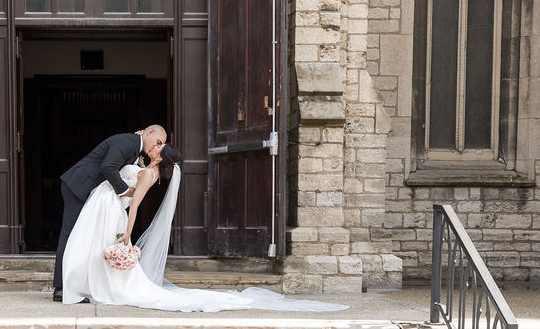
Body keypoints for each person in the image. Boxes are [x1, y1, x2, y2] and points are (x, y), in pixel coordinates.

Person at [60, 144, 348, 313]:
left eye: (158, 147)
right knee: (88, 246)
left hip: (114, 211)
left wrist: (127, 233)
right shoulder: (143, 165)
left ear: (159, 158)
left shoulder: (148, 173)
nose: (155, 146)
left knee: (91, 247)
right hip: (105, 207)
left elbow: (134, 204)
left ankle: (95, 286)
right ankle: (88, 284)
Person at [52, 125, 167, 303]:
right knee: (70, 235)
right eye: (158, 142)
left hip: (92, 194)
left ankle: (80, 285)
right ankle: (60, 288)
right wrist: (125, 191)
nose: (157, 147)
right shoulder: (129, 142)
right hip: (78, 186)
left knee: (83, 239)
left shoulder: (135, 148)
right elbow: (109, 167)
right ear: (149, 132)